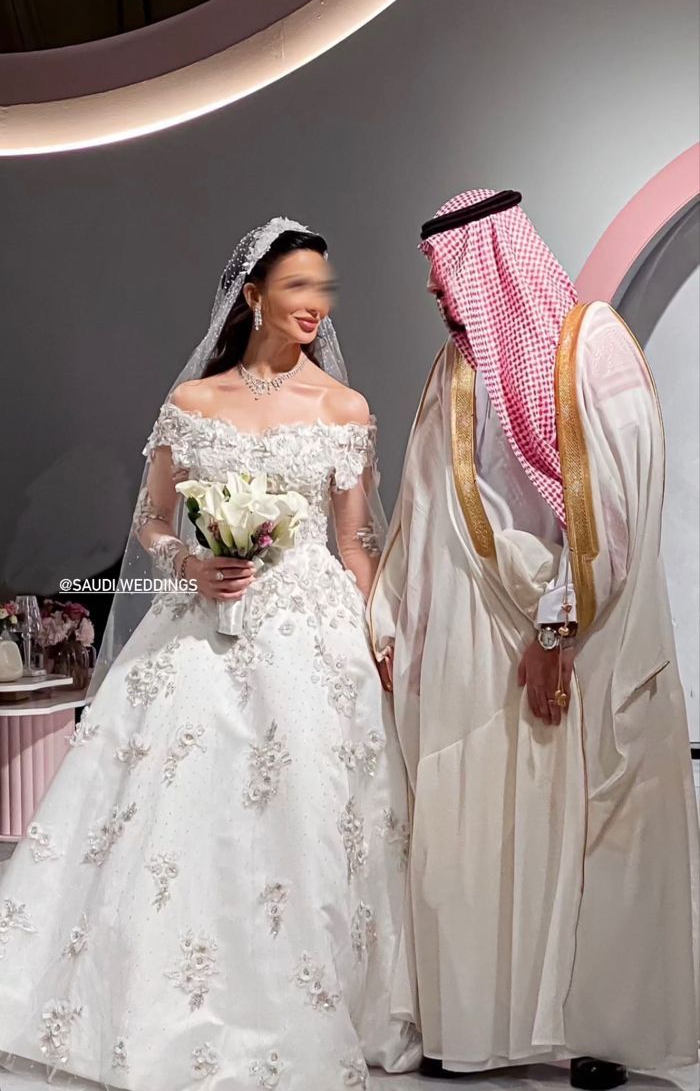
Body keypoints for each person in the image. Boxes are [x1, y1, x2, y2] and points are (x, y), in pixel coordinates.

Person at [0, 218, 420, 1090]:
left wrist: (379, 633)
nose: (316, 305)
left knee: (311, 807)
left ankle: (319, 991)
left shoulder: (345, 409)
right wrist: (192, 559)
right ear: (254, 294)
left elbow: (354, 541)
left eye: (323, 289)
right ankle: (168, 999)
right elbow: (153, 521)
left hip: (311, 633)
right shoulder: (193, 405)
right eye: (298, 287)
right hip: (201, 625)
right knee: (183, 804)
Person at [368, 190, 700, 1086]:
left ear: (488, 260)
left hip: (577, 644)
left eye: (446, 275)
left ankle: (597, 1038)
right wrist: (392, 616)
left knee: (588, 846)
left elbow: (618, 500)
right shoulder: (451, 369)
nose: (439, 295)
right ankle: (470, 1026)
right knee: (470, 838)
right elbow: (420, 506)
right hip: (471, 656)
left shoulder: (589, 348)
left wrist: (559, 622)